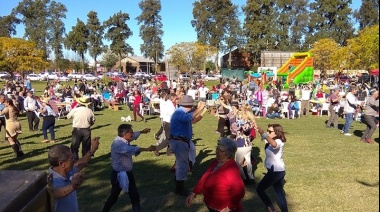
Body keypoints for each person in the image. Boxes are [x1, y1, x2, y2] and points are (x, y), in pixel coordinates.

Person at [102, 124, 155, 212]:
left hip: (125, 173)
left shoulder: (123, 139)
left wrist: (142, 132)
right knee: (131, 197)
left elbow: (133, 136)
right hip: (120, 175)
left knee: (125, 197)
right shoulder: (118, 144)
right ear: (125, 134)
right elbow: (130, 149)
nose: (133, 134)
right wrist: (148, 149)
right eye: (131, 132)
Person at [186, 138, 245, 211]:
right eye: (217, 148)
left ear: (228, 154)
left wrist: (229, 208)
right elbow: (204, 178)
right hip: (211, 206)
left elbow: (240, 191)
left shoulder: (231, 169)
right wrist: (194, 193)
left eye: (221, 151)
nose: (217, 151)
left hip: (223, 209)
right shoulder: (215, 162)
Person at [48, 137, 100, 212]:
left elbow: (80, 164)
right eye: (72, 158)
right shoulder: (52, 182)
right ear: (62, 164)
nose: (74, 160)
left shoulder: (67, 171)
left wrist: (93, 149)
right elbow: (58, 192)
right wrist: (73, 186)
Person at [170, 95, 207, 196]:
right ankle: (179, 188)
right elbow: (189, 118)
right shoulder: (179, 113)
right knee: (182, 165)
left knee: (183, 162)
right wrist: (199, 108)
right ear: (189, 105)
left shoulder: (182, 111)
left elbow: (192, 117)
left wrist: (200, 110)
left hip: (182, 141)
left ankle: (180, 183)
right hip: (179, 142)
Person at [256, 124, 288, 212]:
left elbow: (274, 144)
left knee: (259, 189)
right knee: (279, 192)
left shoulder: (279, 141)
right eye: (267, 130)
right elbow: (266, 139)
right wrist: (260, 131)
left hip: (276, 171)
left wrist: (264, 134)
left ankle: (272, 209)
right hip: (277, 171)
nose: (268, 133)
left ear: (276, 132)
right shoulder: (270, 140)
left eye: (270, 131)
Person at [67, 96, 95, 160]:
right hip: (87, 129)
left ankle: (75, 158)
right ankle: (85, 159)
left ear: (79, 103)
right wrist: (89, 124)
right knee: (86, 146)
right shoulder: (89, 111)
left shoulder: (75, 110)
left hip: (77, 129)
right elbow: (93, 120)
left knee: (75, 145)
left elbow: (68, 116)